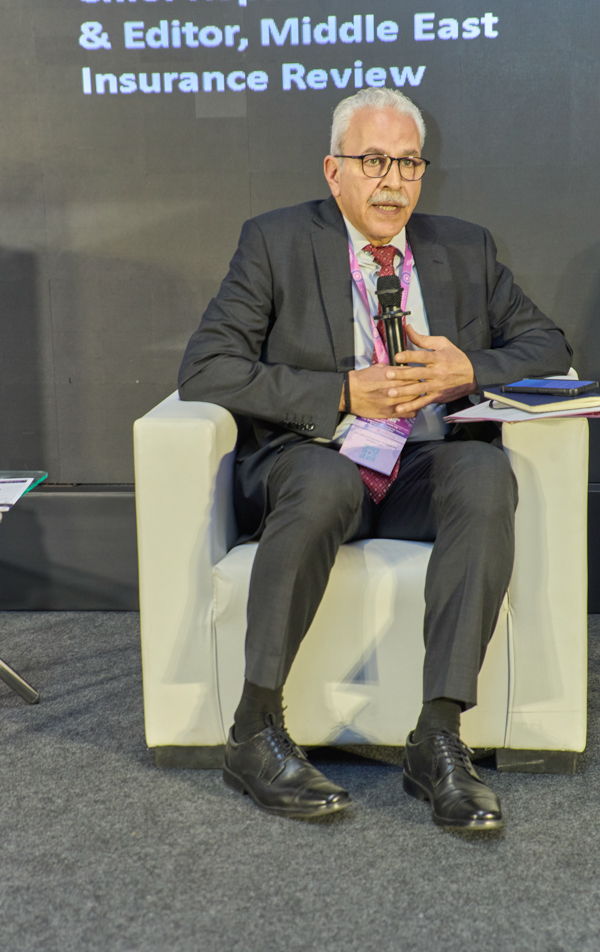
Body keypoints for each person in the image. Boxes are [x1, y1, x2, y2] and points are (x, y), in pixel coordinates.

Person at [178, 87, 573, 830]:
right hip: (316, 457)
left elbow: (547, 344)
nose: (393, 182)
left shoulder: (465, 247)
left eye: (408, 163)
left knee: (484, 472)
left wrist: (467, 369)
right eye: (373, 161)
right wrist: (339, 392)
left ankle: (437, 736)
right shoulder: (276, 242)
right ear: (334, 171)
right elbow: (207, 368)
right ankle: (253, 732)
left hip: (419, 463)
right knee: (325, 480)